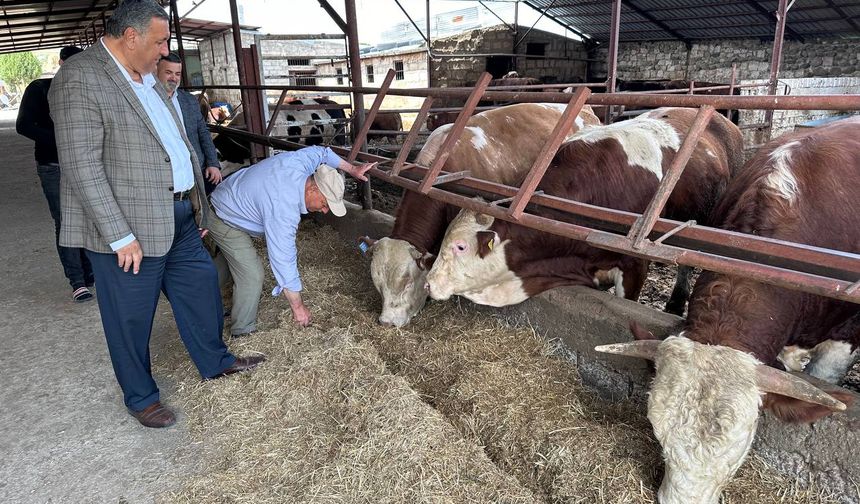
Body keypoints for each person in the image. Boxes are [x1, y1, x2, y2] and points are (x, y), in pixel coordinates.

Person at [48, 0, 265, 429]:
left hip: (180, 215)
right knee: (129, 316)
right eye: (160, 40)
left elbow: (176, 142)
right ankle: (141, 396)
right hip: (129, 228)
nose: (165, 51)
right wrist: (117, 234)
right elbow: (81, 165)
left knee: (201, 289)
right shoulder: (80, 78)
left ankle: (215, 361)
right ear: (130, 37)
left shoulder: (146, 76)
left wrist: (196, 203)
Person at [209, 147, 374, 329]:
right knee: (252, 274)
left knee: (232, 260)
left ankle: (200, 296)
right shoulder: (284, 206)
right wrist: (298, 308)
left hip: (229, 197)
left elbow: (322, 153)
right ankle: (242, 330)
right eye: (325, 203)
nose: (325, 210)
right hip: (224, 215)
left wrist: (352, 169)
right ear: (312, 189)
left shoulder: (300, 164)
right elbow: (283, 258)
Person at [16, 45, 96, 303]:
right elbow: (23, 125)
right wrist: (61, 141)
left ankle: (90, 271)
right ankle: (77, 280)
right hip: (53, 165)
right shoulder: (39, 89)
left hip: (85, 163)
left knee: (91, 217)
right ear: (61, 64)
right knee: (65, 221)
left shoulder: (86, 91)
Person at [155, 52, 222, 194]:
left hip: (196, 167)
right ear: (155, 72)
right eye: (168, 72)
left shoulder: (190, 101)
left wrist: (213, 163)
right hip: (166, 174)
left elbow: (203, 133)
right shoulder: (148, 101)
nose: (173, 78)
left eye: (177, 74)